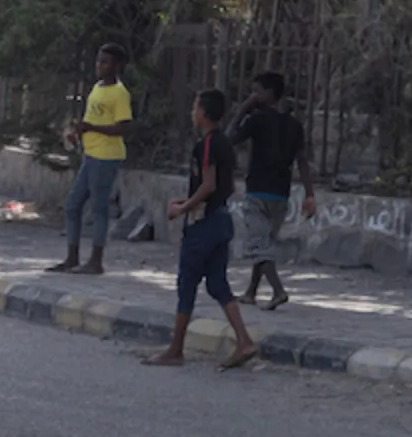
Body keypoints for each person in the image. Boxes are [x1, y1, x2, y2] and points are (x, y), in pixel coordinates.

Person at [144, 88, 257, 370]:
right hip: (221, 220)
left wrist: (183, 208)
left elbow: (208, 185)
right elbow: (224, 187)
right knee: (218, 283)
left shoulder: (206, 145)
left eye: (195, 108)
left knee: (187, 284)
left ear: (204, 113)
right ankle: (243, 340)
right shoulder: (224, 144)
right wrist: (189, 200)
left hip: (203, 224)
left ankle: (175, 349)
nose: (192, 113)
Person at [229, 72, 316, 308]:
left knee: (259, 245)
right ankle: (251, 292)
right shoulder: (294, 125)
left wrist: (241, 111)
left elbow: (229, 139)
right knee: (265, 244)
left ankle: (278, 291)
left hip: (258, 191)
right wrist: (309, 194)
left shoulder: (257, 119)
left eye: (257, 91)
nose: (253, 96)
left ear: (269, 93)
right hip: (281, 194)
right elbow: (302, 160)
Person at [49, 44, 132, 276]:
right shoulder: (97, 87)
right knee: (73, 204)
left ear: (117, 65)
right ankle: (72, 257)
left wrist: (93, 127)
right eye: (98, 61)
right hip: (91, 153)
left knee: (98, 208)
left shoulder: (119, 93)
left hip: (106, 156)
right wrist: (79, 133)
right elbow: (90, 119)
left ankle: (96, 261)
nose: (100, 65)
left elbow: (124, 127)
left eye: (105, 62)